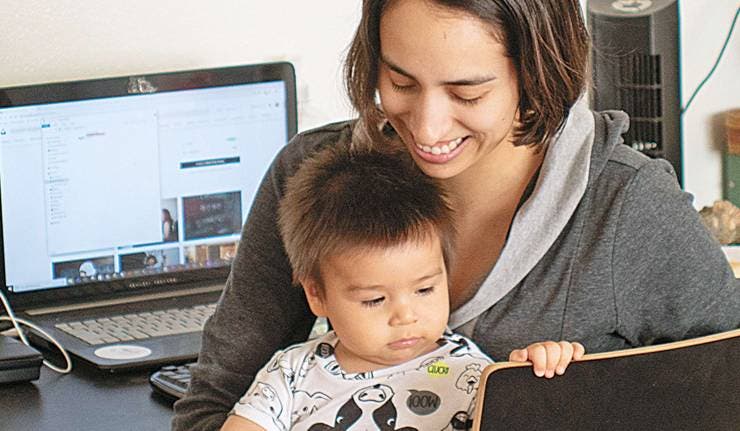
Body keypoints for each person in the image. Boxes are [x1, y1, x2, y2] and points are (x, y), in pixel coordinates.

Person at [173, 1, 739, 429]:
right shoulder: (315, 176)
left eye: (467, 93)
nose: (427, 127)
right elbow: (215, 401)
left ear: (537, 73)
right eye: (400, 82)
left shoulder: (624, 203)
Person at [220, 145, 584, 431]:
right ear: (316, 295)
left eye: (424, 290)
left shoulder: (471, 375)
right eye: (375, 299)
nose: (405, 316)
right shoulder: (292, 374)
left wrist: (534, 380)